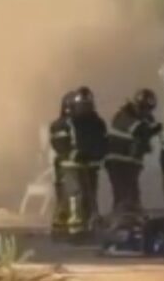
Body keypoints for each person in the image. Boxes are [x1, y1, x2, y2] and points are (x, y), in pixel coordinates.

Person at [105, 88, 162, 215]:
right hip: (117, 161)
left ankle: (133, 216)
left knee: (133, 191)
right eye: (143, 108)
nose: (145, 112)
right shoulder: (123, 116)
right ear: (136, 105)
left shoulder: (145, 118)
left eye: (148, 109)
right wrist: (152, 129)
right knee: (121, 191)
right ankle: (120, 216)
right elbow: (138, 130)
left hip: (133, 162)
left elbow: (145, 137)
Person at [69, 86, 108, 237]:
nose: (84, 107)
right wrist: (77, 154)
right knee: (78, 195)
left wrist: (98, 156)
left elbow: (103, 142)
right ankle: (78, 226)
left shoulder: (98, 123)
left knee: (91, 194)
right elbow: (65, 144)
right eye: (82, 104)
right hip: (75, 166)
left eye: (87, 104)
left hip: (92, 166)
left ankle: (90, 223)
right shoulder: (72, 122)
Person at [48, 91, 76, 240]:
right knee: (67, 197)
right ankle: (62, 230)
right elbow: (61, 146)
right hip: (65, 167)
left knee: (68, 197)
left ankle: (63, 229)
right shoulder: (61, 125)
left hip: (68, 166)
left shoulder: (65, 125)